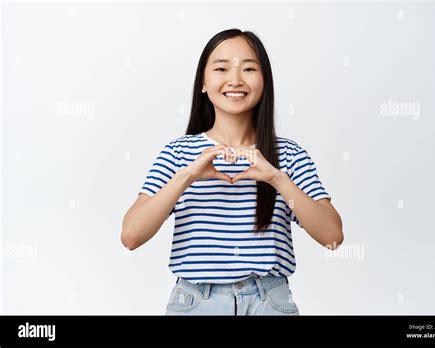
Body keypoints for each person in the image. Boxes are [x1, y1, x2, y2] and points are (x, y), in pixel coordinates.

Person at [121, 28, 344, 315]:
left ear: (265, 81)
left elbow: (333, 237)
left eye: (249, 68)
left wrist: (276, 178)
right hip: (196, 302)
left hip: (270, 302)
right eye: (221, 68)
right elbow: (131, 236)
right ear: (203, 82)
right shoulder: (178, 154)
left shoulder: (288, 154)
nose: (235, 79)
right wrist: (186, 176)